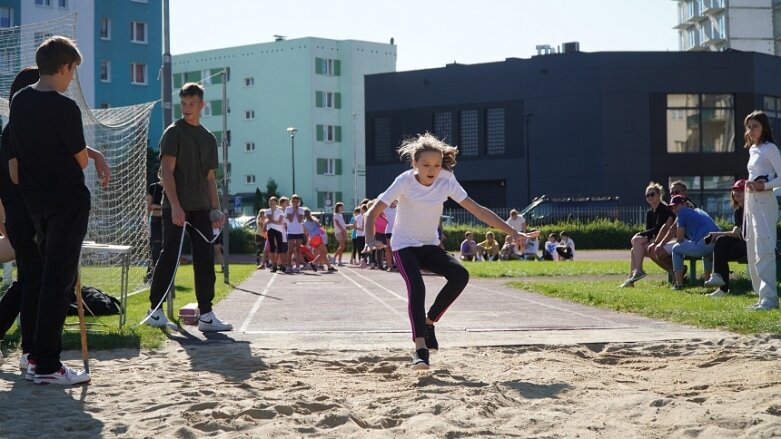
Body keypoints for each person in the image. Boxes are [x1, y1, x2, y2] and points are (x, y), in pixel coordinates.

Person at [363, 133, 521, 369]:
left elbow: (478, 210)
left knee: (460, 275)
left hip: (429, 245)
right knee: (417, 286)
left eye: (436, 165)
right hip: (404, 246)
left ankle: (429, 322)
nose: (432, 170)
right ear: (415, 163)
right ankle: (420, 350)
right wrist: (369, 239)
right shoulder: (404, 181)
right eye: (426, 165)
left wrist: (513, 231)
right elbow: (371, 212)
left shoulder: (446, 180)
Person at [8, 37, 98, 384]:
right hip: (66, 202)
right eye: (72, 71)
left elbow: (17, 160)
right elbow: (80, 159)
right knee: (59, 281)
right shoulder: (64, 108)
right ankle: (47, 365)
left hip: (36, 203)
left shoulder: (19, 101)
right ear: (63, 67)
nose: (71, 79)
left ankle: (35, 358)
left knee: (47, 279)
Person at [145, 82, 231, 332]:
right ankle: (155, 311)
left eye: (192, 104)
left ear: (202, 105)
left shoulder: (208, 138)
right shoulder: (174, 132)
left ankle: (206, 315)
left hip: (202, 209)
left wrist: (216, 209)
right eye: (183, 103)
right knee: (170, 257)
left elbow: (210, 178)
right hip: (177, 209)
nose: (187, 108)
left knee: (205, 260)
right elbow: (166, 173)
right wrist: (175, 206)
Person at [743, 111, 781, 310]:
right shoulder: (753, 150)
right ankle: (761, 296)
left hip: (765, 201)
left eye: (755, 126)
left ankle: (770, 298)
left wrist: (763, 186)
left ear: (764, 127)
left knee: (765, 249)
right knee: (754, 249)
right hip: (752, 202)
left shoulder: (770, 148)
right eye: (748, 127)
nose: (750, 131)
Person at [619, 182, 675, 288]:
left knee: (636, 241)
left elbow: (659, 229)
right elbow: (650, 231)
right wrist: (645, 238)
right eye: (647, 195)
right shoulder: (649, 212)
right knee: (634, 248)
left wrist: (640, 235)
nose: (650, 197)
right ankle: (630, 279)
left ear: (659, 195)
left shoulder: (665, 209)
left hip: (667, 240)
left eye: (652, 194)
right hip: (655, 239)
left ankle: (639, 271)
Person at [704, 179, 747, 297]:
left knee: (720, 241)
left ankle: (720, 283)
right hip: (743, 244)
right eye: (734, 190)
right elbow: (737, 233)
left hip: (753, 245)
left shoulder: (752, 209)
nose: (737, 193)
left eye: (741, 190)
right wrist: (731, 232)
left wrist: (716, 234)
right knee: (721, 245)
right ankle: (721, 288)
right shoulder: (739, 210)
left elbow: (741, 234)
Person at [667, 195, 720, 290]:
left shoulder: (682, 213)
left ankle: (679, 284)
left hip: (706, 241)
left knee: (675, 248)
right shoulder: (699, 211)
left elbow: (680, 239)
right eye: (671, 207)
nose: (673, 209)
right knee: (706, 250)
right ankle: (707, 282)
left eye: (676, 205)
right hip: (717, 240)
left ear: (684, 204)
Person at [648, 181, 690, 275]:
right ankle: (676, 273)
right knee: (653, 250)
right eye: (672, 193)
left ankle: (678, 276)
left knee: (659, 251)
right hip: (682, 240)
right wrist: (656, 243)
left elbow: (673, 228)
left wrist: (660, 244)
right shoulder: (674, 206)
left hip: (692, 240)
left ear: (685, 192)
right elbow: (667, 226)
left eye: (677, 192)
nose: (674, 194)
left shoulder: (686, 205)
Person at [145, 171, 164, 282]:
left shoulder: (171, 187)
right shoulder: (153, 187)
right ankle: (150, 275)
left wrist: (157, 206)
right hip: (155, 221)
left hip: (166, 221)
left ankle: (162, 275)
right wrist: (145, 222)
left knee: (164, 248)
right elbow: (149, 206)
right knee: (155, 248)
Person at [265, 197, 286, 273]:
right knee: (272, 248)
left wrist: (271, 221)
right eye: (271, 203)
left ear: (276, 203)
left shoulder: (280, 211)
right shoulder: (267, 211)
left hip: (278, 230)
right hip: (270, 230)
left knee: (280, 248)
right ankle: (274, 265)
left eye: (274, 203)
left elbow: (280, 222)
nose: (272, 204)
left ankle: (283, 265)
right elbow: (271, 218)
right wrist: (273, 212)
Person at [285, 194, 305, 273]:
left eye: (297, 201)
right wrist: (293, 210)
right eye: (294, 201)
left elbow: (300, 220)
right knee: (290, 250)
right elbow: (290, 219)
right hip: (291, 231)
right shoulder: (288, 209)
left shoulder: (301, 209)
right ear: (291, 201)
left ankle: (297, 266)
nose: (295, 203)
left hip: (299, 231)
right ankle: (289, 266)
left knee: (298, 250)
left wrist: (297, 210)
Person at [384, 199, 398, 271]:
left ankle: (398, 265)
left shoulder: (399, 208)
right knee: (388, 248)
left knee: (397, 249)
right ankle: (389, 266)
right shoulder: (385, 208)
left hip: (398, 231)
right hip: (388, 231)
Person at [332, 202, 347, 266]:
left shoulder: (340, 215)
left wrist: (348, 226)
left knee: (342, 246)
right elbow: (337, 223)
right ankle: (334, 258)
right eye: (341, 207)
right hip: (339, 232)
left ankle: (339, 261)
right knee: (342, 246)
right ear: (338, 207)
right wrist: (342, 230)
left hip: (342, 231)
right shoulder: (335, 215)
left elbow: (343, 224)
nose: (342, 208)